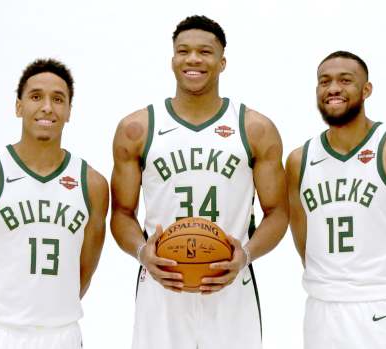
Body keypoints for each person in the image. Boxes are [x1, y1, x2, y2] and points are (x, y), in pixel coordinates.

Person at [111, 15, 288, 349]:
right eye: (183, 51)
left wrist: (245, 255)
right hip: (161, 284)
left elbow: (278, 212)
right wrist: (141, 252)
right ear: (173, 60)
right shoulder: (137, 129)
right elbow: (120, 213)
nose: (193, 59)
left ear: (222, 62)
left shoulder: (254, 128)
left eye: (205, 52)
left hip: (231, 282)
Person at [285, 51, 386, 349]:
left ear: (366, 90)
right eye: (324, 81)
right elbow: (307, 246)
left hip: (381, 309)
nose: (333, 87)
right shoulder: (300, 160)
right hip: (321, 310)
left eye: (345, 80)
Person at [0, 58, 108, 349]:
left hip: (62, 334)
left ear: (69, 111)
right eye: (35, 97)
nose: (47, 107)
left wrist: (47, 315)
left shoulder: (92, 184)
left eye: (58, 99)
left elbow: (84, 269)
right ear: (19, 106)